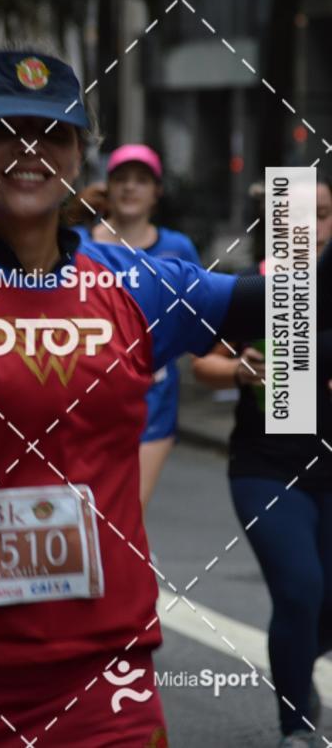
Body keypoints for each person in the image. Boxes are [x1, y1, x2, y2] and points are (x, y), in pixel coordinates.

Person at [0, 0, 330, 746]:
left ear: (78, 155)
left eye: (53, 133)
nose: (30, 149)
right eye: (4, 130)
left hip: (106, 680)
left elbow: (293, 300)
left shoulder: (141, 287)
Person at [192, 177, 332, 748]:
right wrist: (240, 370)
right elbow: (203, 365)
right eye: (296, 216)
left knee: (323, 606)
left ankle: (298, 660)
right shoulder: (259, 287)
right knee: (299, 589)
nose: (309, 228)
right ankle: (296, 727)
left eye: (321, 214)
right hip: (267, 468)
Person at [74, 145, 201, 506]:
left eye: (141, 180)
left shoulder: (177, 248)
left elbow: (198, 314)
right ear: (108, 186)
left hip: (153, 400)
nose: (130, 187)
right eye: (122, 179)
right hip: (85, 397)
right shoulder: (77, 244)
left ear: (156, 191)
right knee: (84, 511)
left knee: (127, 509)